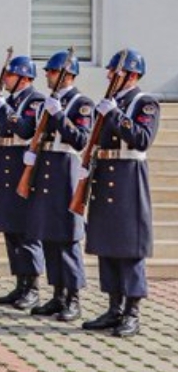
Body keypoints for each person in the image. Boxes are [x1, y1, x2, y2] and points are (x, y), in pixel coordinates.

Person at [82, 49, 158, 337]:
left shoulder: (144, 103)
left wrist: (114, 114)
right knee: (107, 244)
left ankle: (132, 312)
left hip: (128, 179)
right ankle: (114, 308)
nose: (110, 75)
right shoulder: (109, 103)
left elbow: (141, 139)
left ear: (133, 75)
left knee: (129, 247)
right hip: (106, 174)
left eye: (116, 71)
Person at [23, 50, 92, 322]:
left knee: (66, 236)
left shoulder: (81, 103)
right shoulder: (48, 102)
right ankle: (57, 295)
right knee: (49, 235)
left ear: (68, 75)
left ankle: (73, 298)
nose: (47, 76)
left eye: (52, 72)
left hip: (65, 171)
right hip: (46, 169)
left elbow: (80, 139)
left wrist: (60, 115)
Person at [0, 55, 45, 310]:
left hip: (23, 173)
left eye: (10, 75)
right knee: (11, 231)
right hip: (5, 172)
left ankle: (32, 287)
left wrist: (5, 110)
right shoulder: (7, 102)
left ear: (24, 77)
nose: (6, 80)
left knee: (26, 233)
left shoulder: (35, 101)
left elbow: (25, 130)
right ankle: (20, 284)